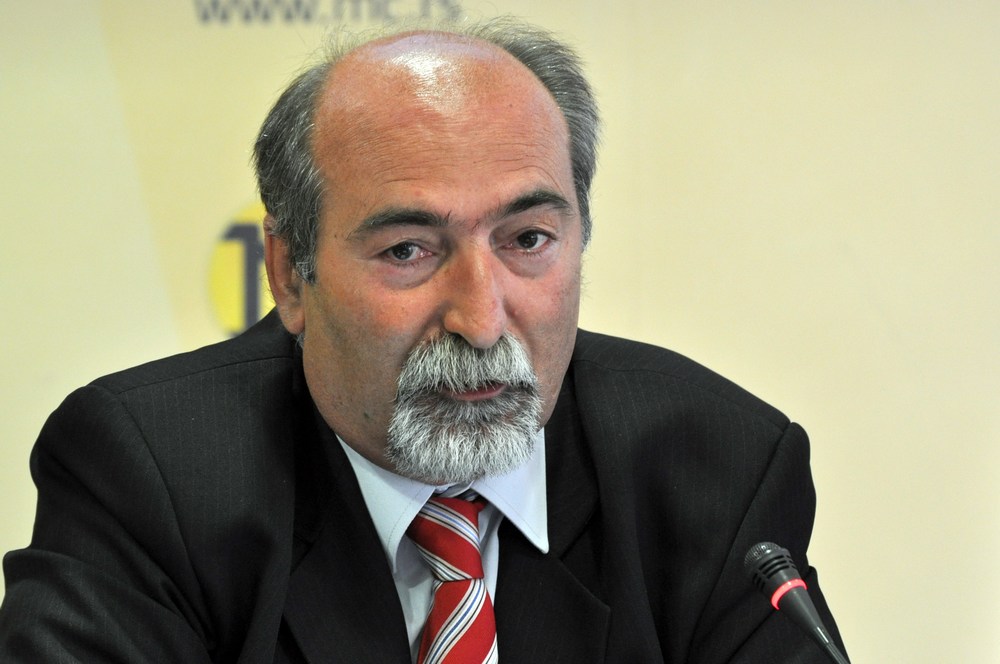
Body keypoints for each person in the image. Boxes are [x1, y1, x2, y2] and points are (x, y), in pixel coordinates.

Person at [0, 17, 848, 663]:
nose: (481, 320)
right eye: (408, 250)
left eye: (527, 240)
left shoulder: (716, 469)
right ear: (290, 274)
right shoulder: (150, 474)